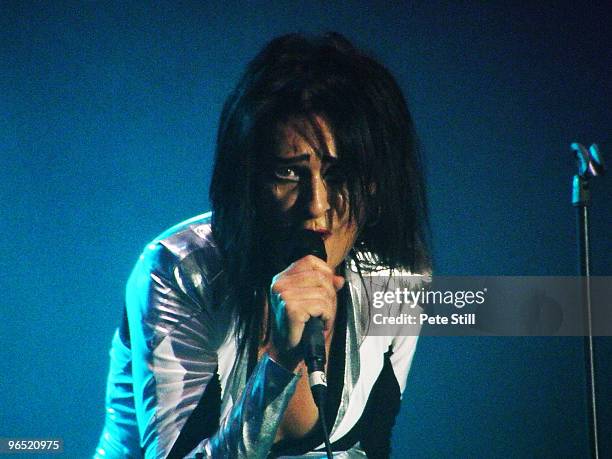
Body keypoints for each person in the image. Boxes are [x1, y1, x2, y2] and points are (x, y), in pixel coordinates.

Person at [95, 32, 430, 459]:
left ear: (376, 180)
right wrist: (278, 362)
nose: (317, 206)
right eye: (289, 174)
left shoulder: (397, 274)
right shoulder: (179, 273)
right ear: (250, 179)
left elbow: (371, 446)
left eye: (340, 174)